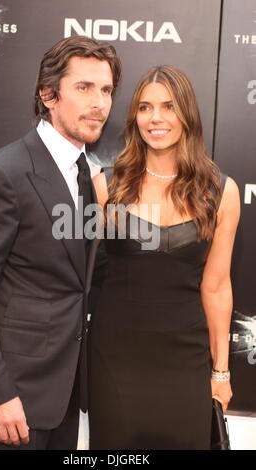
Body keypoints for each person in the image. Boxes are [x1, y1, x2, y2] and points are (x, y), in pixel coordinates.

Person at [0, 35, 121, 450]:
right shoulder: (5, 172)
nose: (99, 103)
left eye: (106, 90)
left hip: (63, 394)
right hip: (13, 397)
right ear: (48, 94)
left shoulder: (88, 175)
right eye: (83, 88)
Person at [89, 65, 240, 450]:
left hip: (185, 363)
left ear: (186, 114)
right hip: (114, 362)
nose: (155, 118)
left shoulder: (221, 192)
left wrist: (220, 372)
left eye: (169, 106)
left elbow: (217, 287)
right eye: (144, 107)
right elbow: (76, 277)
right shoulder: (106, 186)